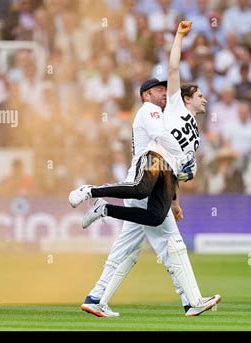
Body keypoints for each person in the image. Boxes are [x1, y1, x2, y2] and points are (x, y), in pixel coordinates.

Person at [75, 21, 221, 317]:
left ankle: (96, 297)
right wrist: (179, 36)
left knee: (127, 250)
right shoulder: (166, 108)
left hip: (160, 180)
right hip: (149, 175)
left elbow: (179, 166)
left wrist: (177, 196)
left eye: (166, 90)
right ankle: (192, 300)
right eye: (158, 90)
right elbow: (174, 68)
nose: (165, 92)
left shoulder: (194, 132)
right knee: (173, 243)